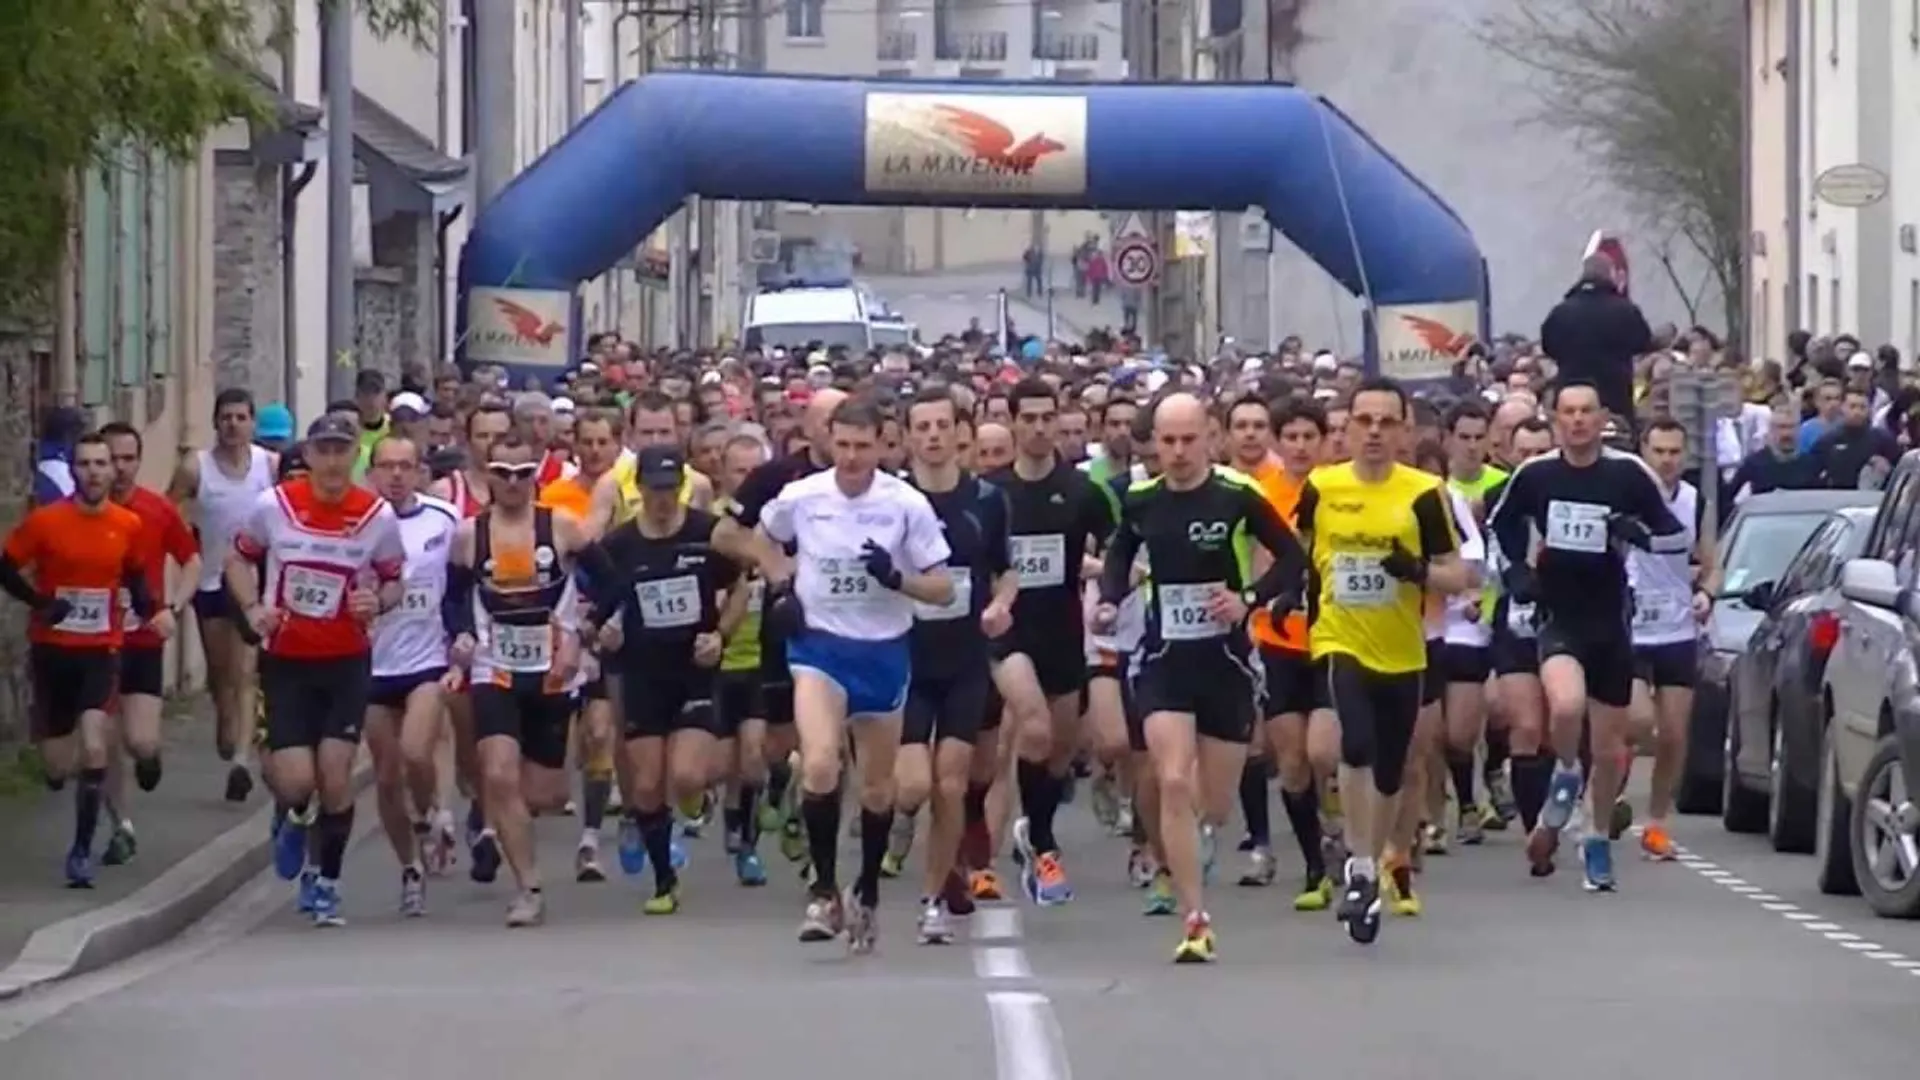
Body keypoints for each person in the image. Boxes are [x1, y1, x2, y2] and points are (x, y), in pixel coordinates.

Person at [1094, 393, 1308, 962]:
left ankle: (1201, 840)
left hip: (1227, 663)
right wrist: (1112, 600)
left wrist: (1248, 600)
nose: (1179, 452)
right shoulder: (1140, 500)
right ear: (1154, 444)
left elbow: (1294, 559)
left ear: (1210, 439)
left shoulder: (1238, 497)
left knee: (1212, 803)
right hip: (1164, 658)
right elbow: (1119, 557)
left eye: (1189, 440)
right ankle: (1194, 916)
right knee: (1171, 779)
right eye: (1168, 441)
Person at [736, 397, 953, 952]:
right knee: (820, 763)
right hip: (819, 647)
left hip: (882, 652)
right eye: (844, 446)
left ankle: (869, 891)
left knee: (879, 789)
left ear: (882, 444)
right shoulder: (803, 497)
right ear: (828, 442)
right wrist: (780, 575)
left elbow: (943, 587)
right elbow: (752, 535)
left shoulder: (905, 503)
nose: (853, 458)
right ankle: (824, 890)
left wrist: (897, 578)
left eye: (864, 447)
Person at [1486, 381, 1688, 891]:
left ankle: (1596, 838)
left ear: (1603, 419)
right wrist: (1514, 573)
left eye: (1586, 411)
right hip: (1558, 616)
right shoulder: (1537, 474)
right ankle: (1565, 772)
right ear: (1556, 419)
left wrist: (1637, 534)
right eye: (1568, 412)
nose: (1577, 420)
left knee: (1610, 747)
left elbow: (1676, 533)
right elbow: (1499, 524)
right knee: (1567, 705)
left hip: (1612, 622)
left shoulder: (1627, 473)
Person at [1293, 377, 1474, 944]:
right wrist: (1283, 593)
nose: (1373, 432)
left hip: (1403, 649)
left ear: (1405, 431)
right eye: (1363, 421)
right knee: (1356, 742)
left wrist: (1417, 571)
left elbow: (1459, 574)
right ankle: (1360, 868)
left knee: (1392, 768)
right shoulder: (1321, 486)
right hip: (1339, 636)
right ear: (1345, 427)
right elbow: (1300, 554)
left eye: (1386, 422)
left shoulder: (1424, 493)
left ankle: (1375, 856)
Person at [229, 415, 405, 926]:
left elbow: (395, 580)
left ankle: (326, 881)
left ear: (355, 456)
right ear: (308, 456)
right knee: (297, 781)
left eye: (341, 450)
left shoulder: (376, 515)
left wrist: (378, 600)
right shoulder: (275, 508)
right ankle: (288, 812)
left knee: (334, 775)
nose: (332, 460)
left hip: (346, 662)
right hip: (286, 660)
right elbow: (238, 560)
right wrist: (251, 608)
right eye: (323, 450)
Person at [580, 446, 749, 915]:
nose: (662, 498)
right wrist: (602, 634)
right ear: (639, 489)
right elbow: (595, 613)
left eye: (669, 488)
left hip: (693, 671)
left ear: (681, 487)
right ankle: (664, 879)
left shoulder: (706, 534)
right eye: (653, 489)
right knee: (647, 786)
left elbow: (739, 585)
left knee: (688, 774)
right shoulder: (619, 545)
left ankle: (697, 802)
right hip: (641, 674)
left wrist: (721, 633)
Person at [444, 432, 594, 927]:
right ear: (487, 476)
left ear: (538, 475)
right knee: (499, 774)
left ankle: (511, 824)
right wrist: (463, 634)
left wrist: (580, 637)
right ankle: (527, 886)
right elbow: (453, 598)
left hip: (553, 673)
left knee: (546, 793)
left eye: (523, 473)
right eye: (502, 474)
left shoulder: (565, 528)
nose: (512, 484)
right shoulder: (470, 535)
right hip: (496, 669)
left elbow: (610, 582)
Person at [1, 433, 162, 886]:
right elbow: (6, 566)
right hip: (52, 653)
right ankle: (58, 769)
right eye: (85, 463)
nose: (94, 472)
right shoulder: (46, 523)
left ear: (114, 471)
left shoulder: (126, 525)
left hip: (100, 651)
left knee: (95, 745)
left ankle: (80, 852)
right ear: (73, 471)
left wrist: (155, 613)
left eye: (101, 463)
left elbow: (135, 579)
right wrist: (40, 602)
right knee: (57, 766)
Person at [990, 378, 1117, 908]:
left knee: (1059, 752)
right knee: (1034, 728)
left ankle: (1034, 829)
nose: (1040, 428)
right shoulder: (992, 491)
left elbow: (1117, 545)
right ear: (1014, 422)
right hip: (1007, 630)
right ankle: (1040, 843)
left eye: (1049, 418)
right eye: (1030, 419)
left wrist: (1109, 591)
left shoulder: (1082, 490)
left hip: (1063, 628)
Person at [897, 387, 1017, 943]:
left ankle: (934, 894)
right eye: (922, 427)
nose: (933, 436)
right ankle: (903, 832)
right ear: (907, 437)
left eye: (942, 426)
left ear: (958, 431)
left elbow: (1005, 570)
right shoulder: (893, 500)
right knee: (912, 787)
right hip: (906, 658)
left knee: (950, 784)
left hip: (966, 659)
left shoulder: (987, 500)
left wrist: (999, 606)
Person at [363, 436, 463, 916]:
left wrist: (465, 635)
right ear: (373, 472)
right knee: (385, 778)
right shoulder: (356, 521)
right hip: (371, 663)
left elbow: (462, 580)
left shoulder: (442, 519)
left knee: (416, 751)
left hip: (426, 658)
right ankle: (410, 867)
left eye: (406, 466)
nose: (396, 476)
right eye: (387, 467)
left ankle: (430, 813)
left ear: (420, 471)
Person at [99, 421, 202, 867]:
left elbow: (191, 559)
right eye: (110, 459)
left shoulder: (156, 510)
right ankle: (121, 826)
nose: (119, 469)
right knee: (104, 739)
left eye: (127, 459)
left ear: (138, 462)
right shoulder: (77, 511)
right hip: (93, 644)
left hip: (142, 638)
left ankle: (152, 755)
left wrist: (175, 607)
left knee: (139, 740)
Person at [170, 388, 278, 803]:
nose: (233, 425)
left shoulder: (269, 466)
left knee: (246, 671)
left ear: (252, 423)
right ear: (216, 423)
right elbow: (169, 512)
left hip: (253, 585)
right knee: (222, 676)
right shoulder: (195, 468)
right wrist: (187, 551)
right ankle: (226, 729)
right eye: (226, 417)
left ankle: (240, 762)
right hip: (212, 582)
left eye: (241, 417)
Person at [1622, 419, 1717, 860]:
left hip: (1678, 628)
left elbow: (1711, 561)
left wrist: (1706, 593)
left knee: (1675, 734)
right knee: (1639, 722)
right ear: (1644, 452)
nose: (1667, 460)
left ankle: (1657, 823)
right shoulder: (1625, 494)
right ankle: (1608, 790)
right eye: (1659, 451)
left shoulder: (1695, 501)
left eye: (1675, 452)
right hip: (1631, 626)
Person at [1539, 254, 1653, 428]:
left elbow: (1548, 346)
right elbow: (1643, 342)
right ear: (1610, 275)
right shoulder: (1626, 311)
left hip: (1571, 399)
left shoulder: (1561, 312)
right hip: (1615, 398)